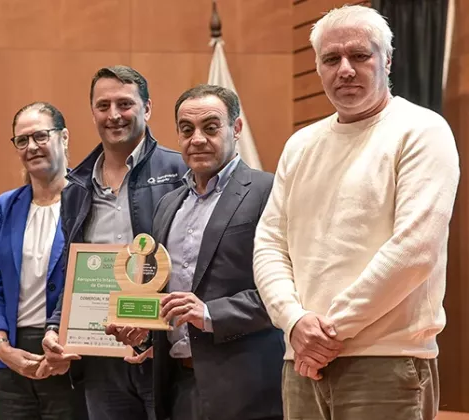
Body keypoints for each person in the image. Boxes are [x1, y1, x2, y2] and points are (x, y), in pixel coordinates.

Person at [253, 5, 460, 420]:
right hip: (302, 363)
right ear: (318, 67)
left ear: (387, 60)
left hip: (386, 360)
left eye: (359, 55)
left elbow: (414, 250)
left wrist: (327, 335)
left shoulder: (422, 130)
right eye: (331, 59)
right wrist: (294, 322)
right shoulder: (300, 145)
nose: (344, 69)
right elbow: (269, 245)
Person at [112, 85, 284, 420]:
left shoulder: (268, 191)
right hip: (176, 387)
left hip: (247, 389)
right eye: (187, 129)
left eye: (211, 126)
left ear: (236, 128)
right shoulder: (168, 205)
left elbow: (286, 292)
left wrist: (210, 313)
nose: (198, 139)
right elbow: (164, 295)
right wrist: (144, 331)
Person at [41, 65, 187, 420]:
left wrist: (159, 335)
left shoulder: (180, 171)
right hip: (100, 356)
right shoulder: (75, 187)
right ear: (92, 112)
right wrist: (56, 327)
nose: (114, 115)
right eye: (103, 105)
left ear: (147, 109)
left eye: (125, 104)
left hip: (162, 354)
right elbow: (71, 269)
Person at [0, 102, 87, 419]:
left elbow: (89, 281)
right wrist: (1, 346)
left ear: (64, 137)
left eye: (40, 136)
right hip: (12, 356)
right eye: (22, 140)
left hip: (68, 354)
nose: (31, 147)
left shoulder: (88, 199)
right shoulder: (7, 205)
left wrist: (62, 343)